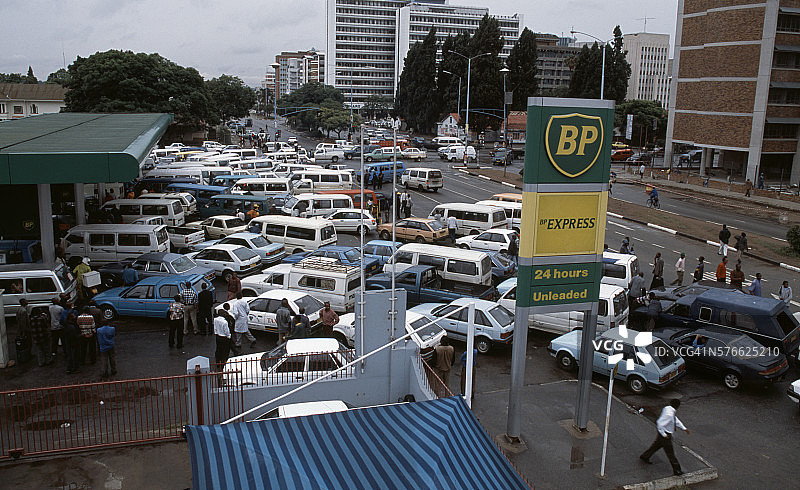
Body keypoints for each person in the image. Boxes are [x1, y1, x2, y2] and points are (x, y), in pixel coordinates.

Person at [639, 399, 690, 476]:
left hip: (663, 434)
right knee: (671, 454)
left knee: (656, 446)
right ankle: (677, 470)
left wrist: (684, 428)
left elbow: (675, 419)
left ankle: (645, 456)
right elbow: (660, 423)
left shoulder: (668, 409)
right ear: (678, 406)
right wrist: (664, 434)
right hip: (665, 435)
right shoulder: (669, 414)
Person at [62, 306, 81, 374]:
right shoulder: (71, 327)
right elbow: (75, 336)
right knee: (74, 356)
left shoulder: (67, 324)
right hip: (73, 343)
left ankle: (70, 368)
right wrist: (82, 335)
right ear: (70, 317)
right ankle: (73, 368)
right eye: (73, 315)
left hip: (69, 342)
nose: (75, 316)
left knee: (71, 356)